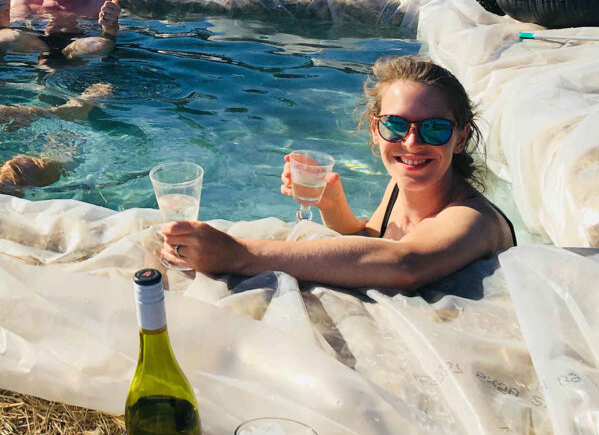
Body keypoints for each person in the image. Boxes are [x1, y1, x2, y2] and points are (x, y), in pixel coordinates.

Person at [159, 56, 517, 291]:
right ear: (376, 131)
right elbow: (374, 242)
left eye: (435, 128)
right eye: (395, 125)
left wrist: (237, 254)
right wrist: (333, 206)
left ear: (461, 138)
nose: (411, 142)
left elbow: (405, 262)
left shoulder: (472, 219)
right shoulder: (400, 185)